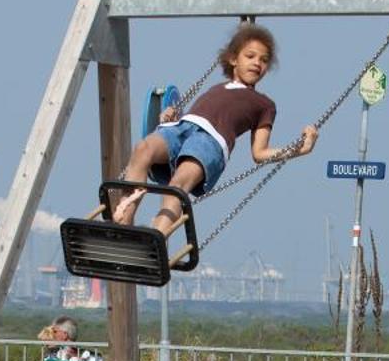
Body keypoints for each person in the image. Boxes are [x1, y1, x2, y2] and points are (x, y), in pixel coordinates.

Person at [109, 23, 317, 234]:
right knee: (143, 149)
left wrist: (300, 149)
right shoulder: (217, 88)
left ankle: (156, 239)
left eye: (264, 60)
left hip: (211, 142)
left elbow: (260, 153)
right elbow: (199, 118)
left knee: (178, 185)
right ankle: (124, 225)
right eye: (251, 56)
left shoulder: (264, 104)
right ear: (233, 59)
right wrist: (170, 116)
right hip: (183, 127)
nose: (257, 63)